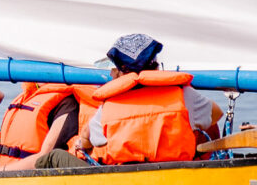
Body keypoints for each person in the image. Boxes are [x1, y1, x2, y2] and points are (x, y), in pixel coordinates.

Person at [83, 34, 201, 165]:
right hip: (176, 175)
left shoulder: (109, 105)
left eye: (114, 69)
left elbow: (95, 140)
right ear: (156, 67)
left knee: (56, 156)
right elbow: (214, 114)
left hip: (125, 178)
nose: (111, 74)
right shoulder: (183, 94)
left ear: (121, 73)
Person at [0, 79, 88, 174]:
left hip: (33, 179)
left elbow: (45, 158)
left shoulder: (68, 104)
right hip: (4, 175)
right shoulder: (27, 96)